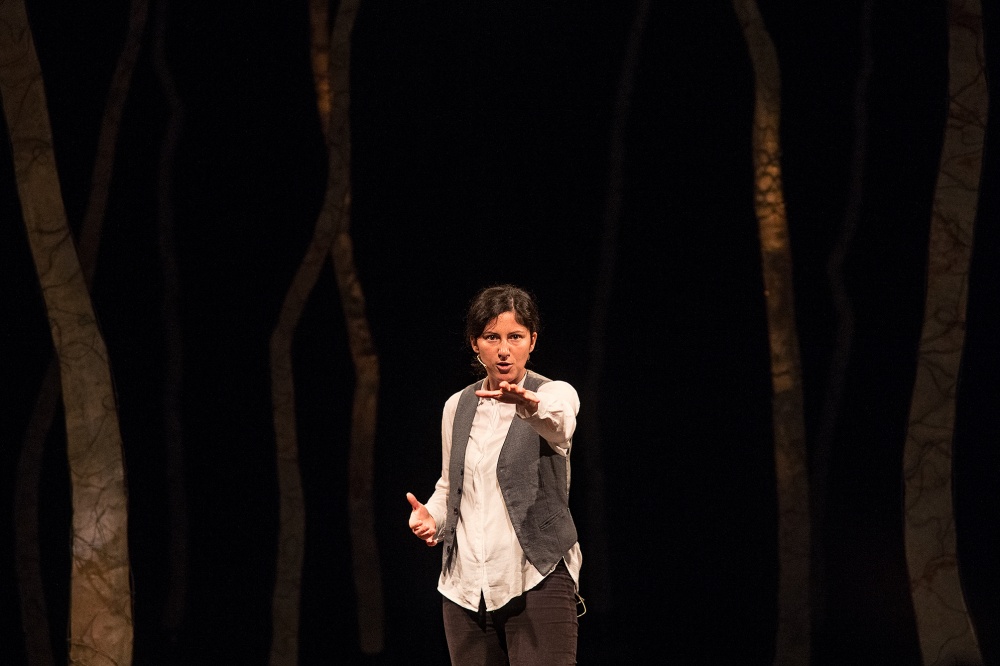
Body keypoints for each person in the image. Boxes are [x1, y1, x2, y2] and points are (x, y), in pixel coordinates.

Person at [406, 284, 582, 665]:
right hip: (465, 590)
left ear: (532, 341)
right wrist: (431, 517)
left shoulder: (554, 393)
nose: (504, 350)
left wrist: (529, 406)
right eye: (492, 337)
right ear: (475, 343)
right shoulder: (456, 406)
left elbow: (561, 424)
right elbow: (451, 486)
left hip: (535, 578)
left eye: (515, 337)